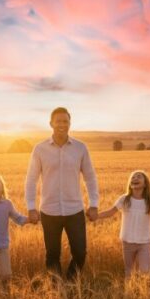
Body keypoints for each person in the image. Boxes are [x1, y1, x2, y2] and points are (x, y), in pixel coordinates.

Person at [25, 107, 99, 280]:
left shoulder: (80, 148)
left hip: (75, 210)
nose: (62, 124)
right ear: (51, 124)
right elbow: (31, 179)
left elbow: (90, 177)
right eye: (58, 121)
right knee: (52, 255)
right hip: (49, 211)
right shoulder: (39, 149)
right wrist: (31, 207)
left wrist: (94, 204)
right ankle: (57, 290)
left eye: (65, 121)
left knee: (80, 253)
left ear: (70, 123)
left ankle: (71, 284)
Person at [96, 170, 150, 279]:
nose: (135, 178)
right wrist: (96, 216)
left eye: (138, 177)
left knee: (145, 271)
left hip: (144, 242)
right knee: (129, 272)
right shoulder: (125, 199)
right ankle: (130, 294)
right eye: (133, 177)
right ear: (130, 184)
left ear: (145, 184)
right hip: (127, 241)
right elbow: (110, 212)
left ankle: (144, 293)